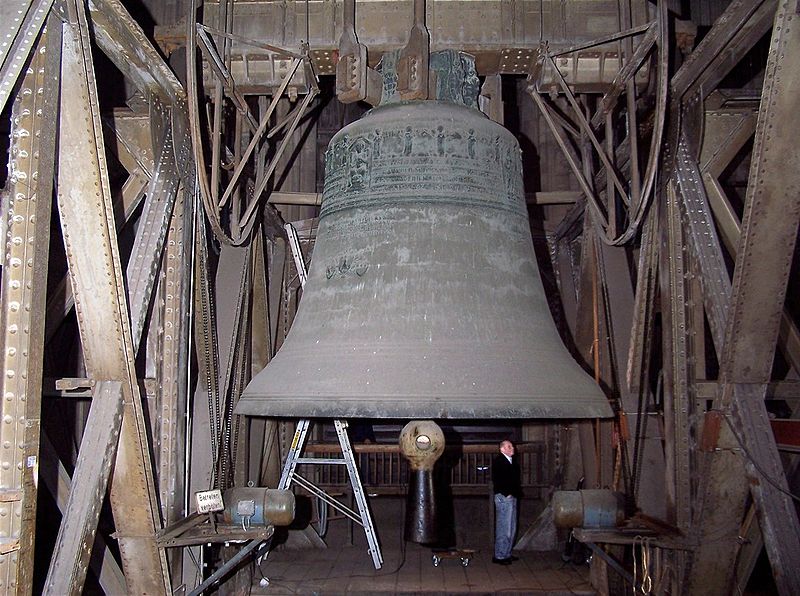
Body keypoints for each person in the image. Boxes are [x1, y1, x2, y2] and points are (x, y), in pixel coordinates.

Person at [491, 439, 521, 565]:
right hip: (504, 497)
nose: (512, 448)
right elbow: (498, 479)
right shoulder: (499, 462)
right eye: (509, 447)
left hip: (511, 496)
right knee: (504, 527)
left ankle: (507, 553)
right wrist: (506, 493)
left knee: (511, 527)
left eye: (512, 446)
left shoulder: (512, 462)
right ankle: (500, 555)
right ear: (502, 449)